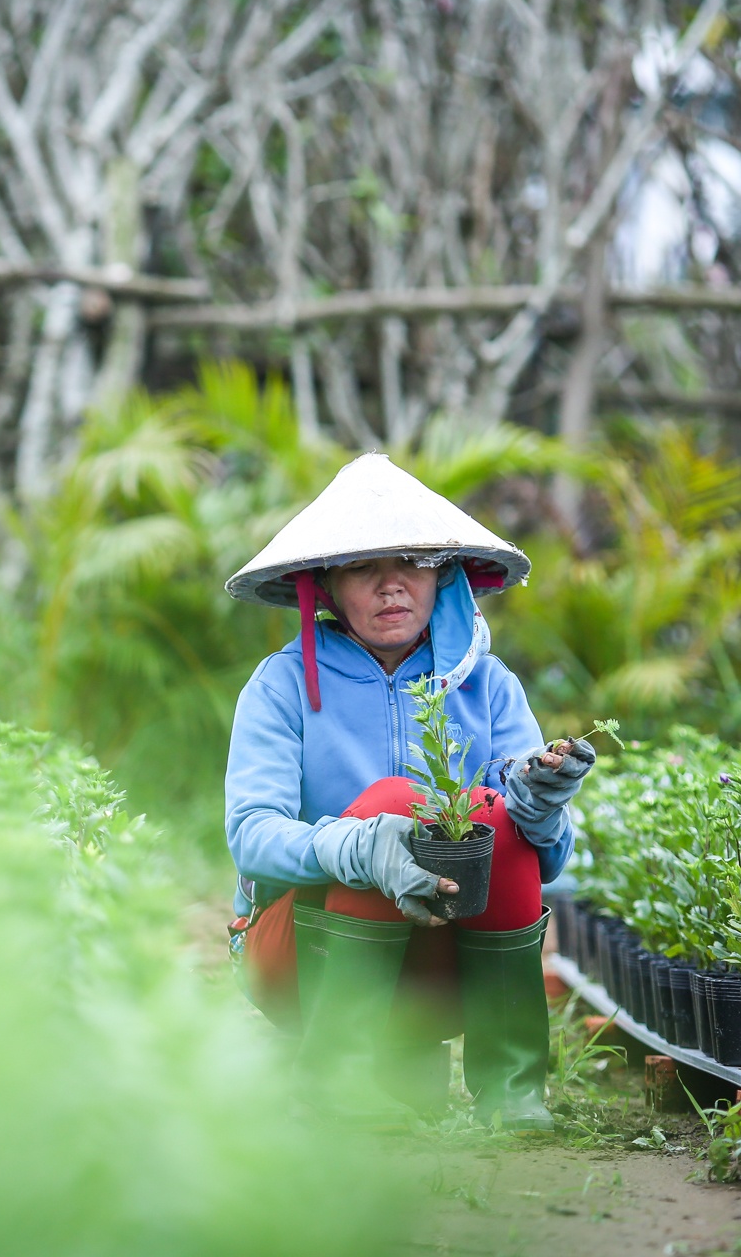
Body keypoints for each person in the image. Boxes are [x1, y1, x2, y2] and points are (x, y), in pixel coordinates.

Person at [222, 452, 595, 1130]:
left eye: (413, 564)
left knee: (491, 815)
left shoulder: (489, 684)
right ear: (328, 584)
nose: (391, 586)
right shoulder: (279, 686)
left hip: (444, 964)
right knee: (396, 804)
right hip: (301, 957)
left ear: (444, 578)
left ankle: (513, 1091)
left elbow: (547, 863)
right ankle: (336, 1080)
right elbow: (251, 835)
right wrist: (359, 846)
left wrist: (540, 807)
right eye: (364, 567)